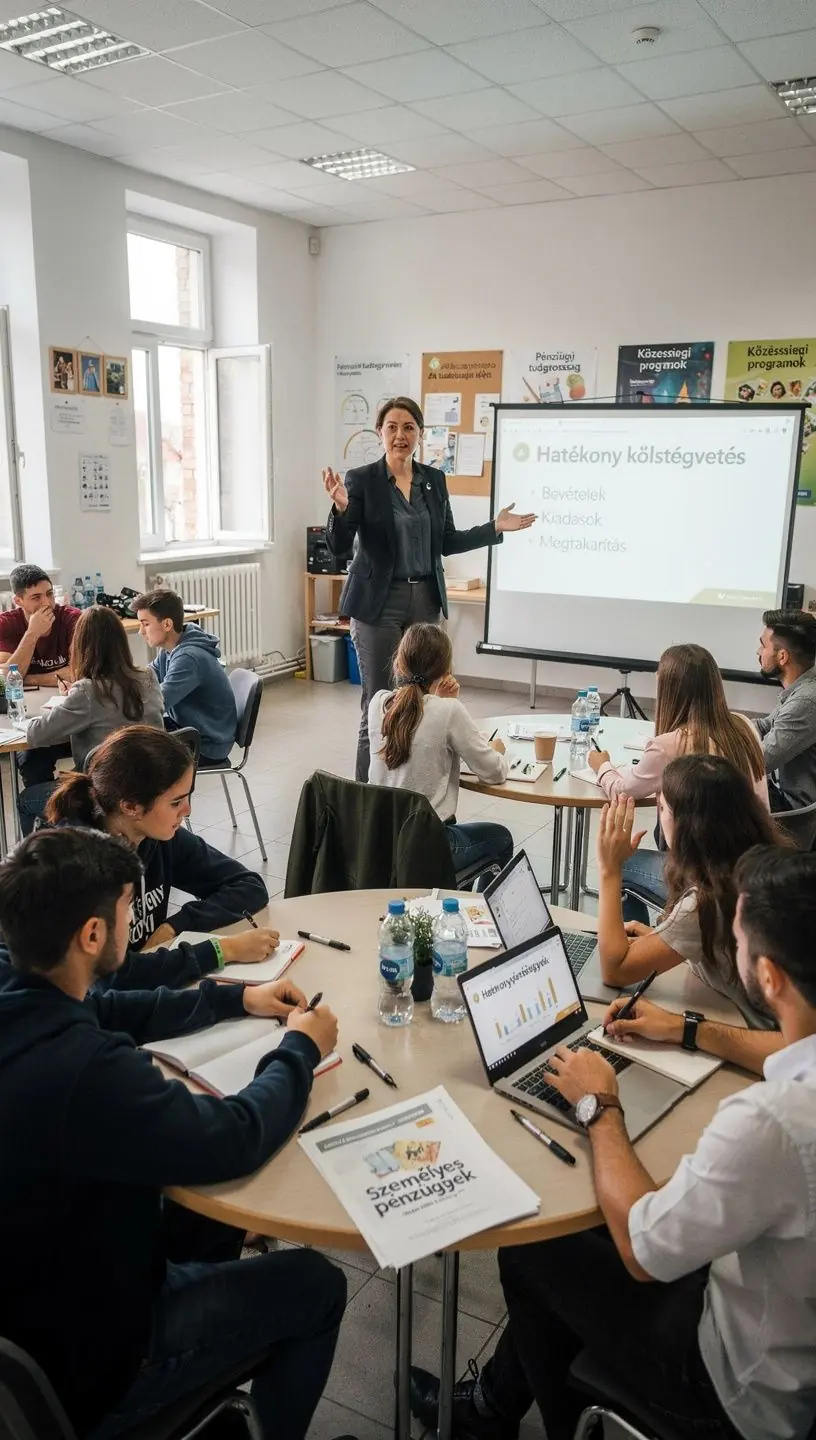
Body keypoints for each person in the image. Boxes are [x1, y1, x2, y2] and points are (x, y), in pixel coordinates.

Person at [411, 843, 816, 1440]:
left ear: (768, 975)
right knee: (583, 1235)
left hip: (735, 1389)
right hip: (785, 1330)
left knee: (533, 1254)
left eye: (737, 938)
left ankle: (521, 1419)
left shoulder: (776, 1121)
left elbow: (642, 1249)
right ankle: (495, 1405)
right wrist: (681, 1027)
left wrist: (597, 1105)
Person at [0, 826, 345, 1440]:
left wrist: (238, 999)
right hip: (96, 1355)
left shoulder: (21, 990)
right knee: (317, 1285)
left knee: (209, 1217)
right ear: (93, 934)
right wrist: (299, 1050)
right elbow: (235, 1136)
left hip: (33, 1293)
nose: (138, 918)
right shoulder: (91, 1072)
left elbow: (112, 1008)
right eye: (129, 907)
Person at [323, 397, 536, 781]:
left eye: (408, 428)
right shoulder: (361, 480)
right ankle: (366, 797)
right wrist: (340, 509)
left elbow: (448, 540)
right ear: (380, 432)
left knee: (428, 701)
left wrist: (494, 527)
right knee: (378, 702)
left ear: (420, 434)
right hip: (378, 604)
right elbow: (339, 546)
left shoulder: (433, 481)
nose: (400, 435)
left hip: (425, 600)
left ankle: (417, 792)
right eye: (392, 427)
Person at [43, 726, 275, 990]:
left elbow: (248, 885)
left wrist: (175, 925)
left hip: (146, 987)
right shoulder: (77, 867)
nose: (187, 811)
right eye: (176, 803)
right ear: (130, 807)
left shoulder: (157, 837)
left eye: (187, 797)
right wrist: (223, 950)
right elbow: (109, 982)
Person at [595, 755, 786, 1028]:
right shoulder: (758, 864)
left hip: (764, 1046)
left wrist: (609, 870)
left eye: (662, 807)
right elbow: (712, 946)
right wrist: (660, 938)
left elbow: (614, 971)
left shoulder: (705, 901)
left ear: (687, 827)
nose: (658, 815)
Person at [588, 643, 768, 905]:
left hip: (708, 879)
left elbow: (623, 791)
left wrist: (602, 766)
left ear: (670, 691)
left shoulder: (670, 744)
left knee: (622, 864)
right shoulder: (744, 726)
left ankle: (634, 944)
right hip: (753, 867)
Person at [368, 622, 512, 885]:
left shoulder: (378, 703)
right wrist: (496, 750)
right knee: (501, 838)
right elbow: (493, 772)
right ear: (447, 670)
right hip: (427, 846)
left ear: (399, 663)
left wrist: (440, 699)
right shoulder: (448, 711)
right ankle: (477, 916)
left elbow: (416, 727)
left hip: (380, 840)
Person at [18, 605, 165, 835]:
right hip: (150, 784)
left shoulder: (87, 691)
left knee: (27, 800)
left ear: (81, 646)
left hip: (103, 794)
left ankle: (41, 864)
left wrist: (66, 703)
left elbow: (36, 734)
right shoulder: (149, 676)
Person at [0, 564, 82, 790]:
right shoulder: (7, 623)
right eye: (36, 597)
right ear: (19, 601)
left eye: (48, 594)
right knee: (30, 761)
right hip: (34, 719)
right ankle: (45, 814)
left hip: (73, 717)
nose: (46, 603)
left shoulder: (72, 619)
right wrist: (32, 633)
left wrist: (28, 677)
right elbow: (5, 677)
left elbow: (77, 672)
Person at [134, 588, 237, 765]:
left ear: (167, 624)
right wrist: (116, 682)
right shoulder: (171, 648)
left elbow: (159, 703)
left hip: (207, 744)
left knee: (134, 755)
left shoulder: (188, 658)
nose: (140, 631)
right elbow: (147, 676)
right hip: (190, 729)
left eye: (145, 624)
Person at [755, 609, 816, 827]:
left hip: (792, 813)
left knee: (700, 793)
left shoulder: (807, 701)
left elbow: (759, 760)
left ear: (783, 656)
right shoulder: (802, 688)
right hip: (779, 792)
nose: (758, 651)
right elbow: (763, 726)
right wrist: (716, 724)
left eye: (763, 645)